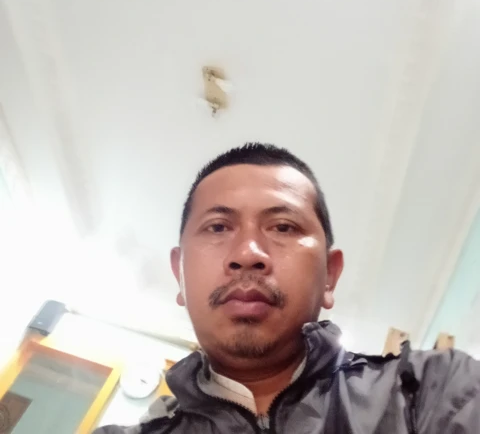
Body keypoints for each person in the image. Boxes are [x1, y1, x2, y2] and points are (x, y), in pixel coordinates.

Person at [96, 143, 480, 434]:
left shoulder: (431, 391)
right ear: (179, 273)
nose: (247, 253)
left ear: (330, 274)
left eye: (283, 227)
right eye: (218, 227)